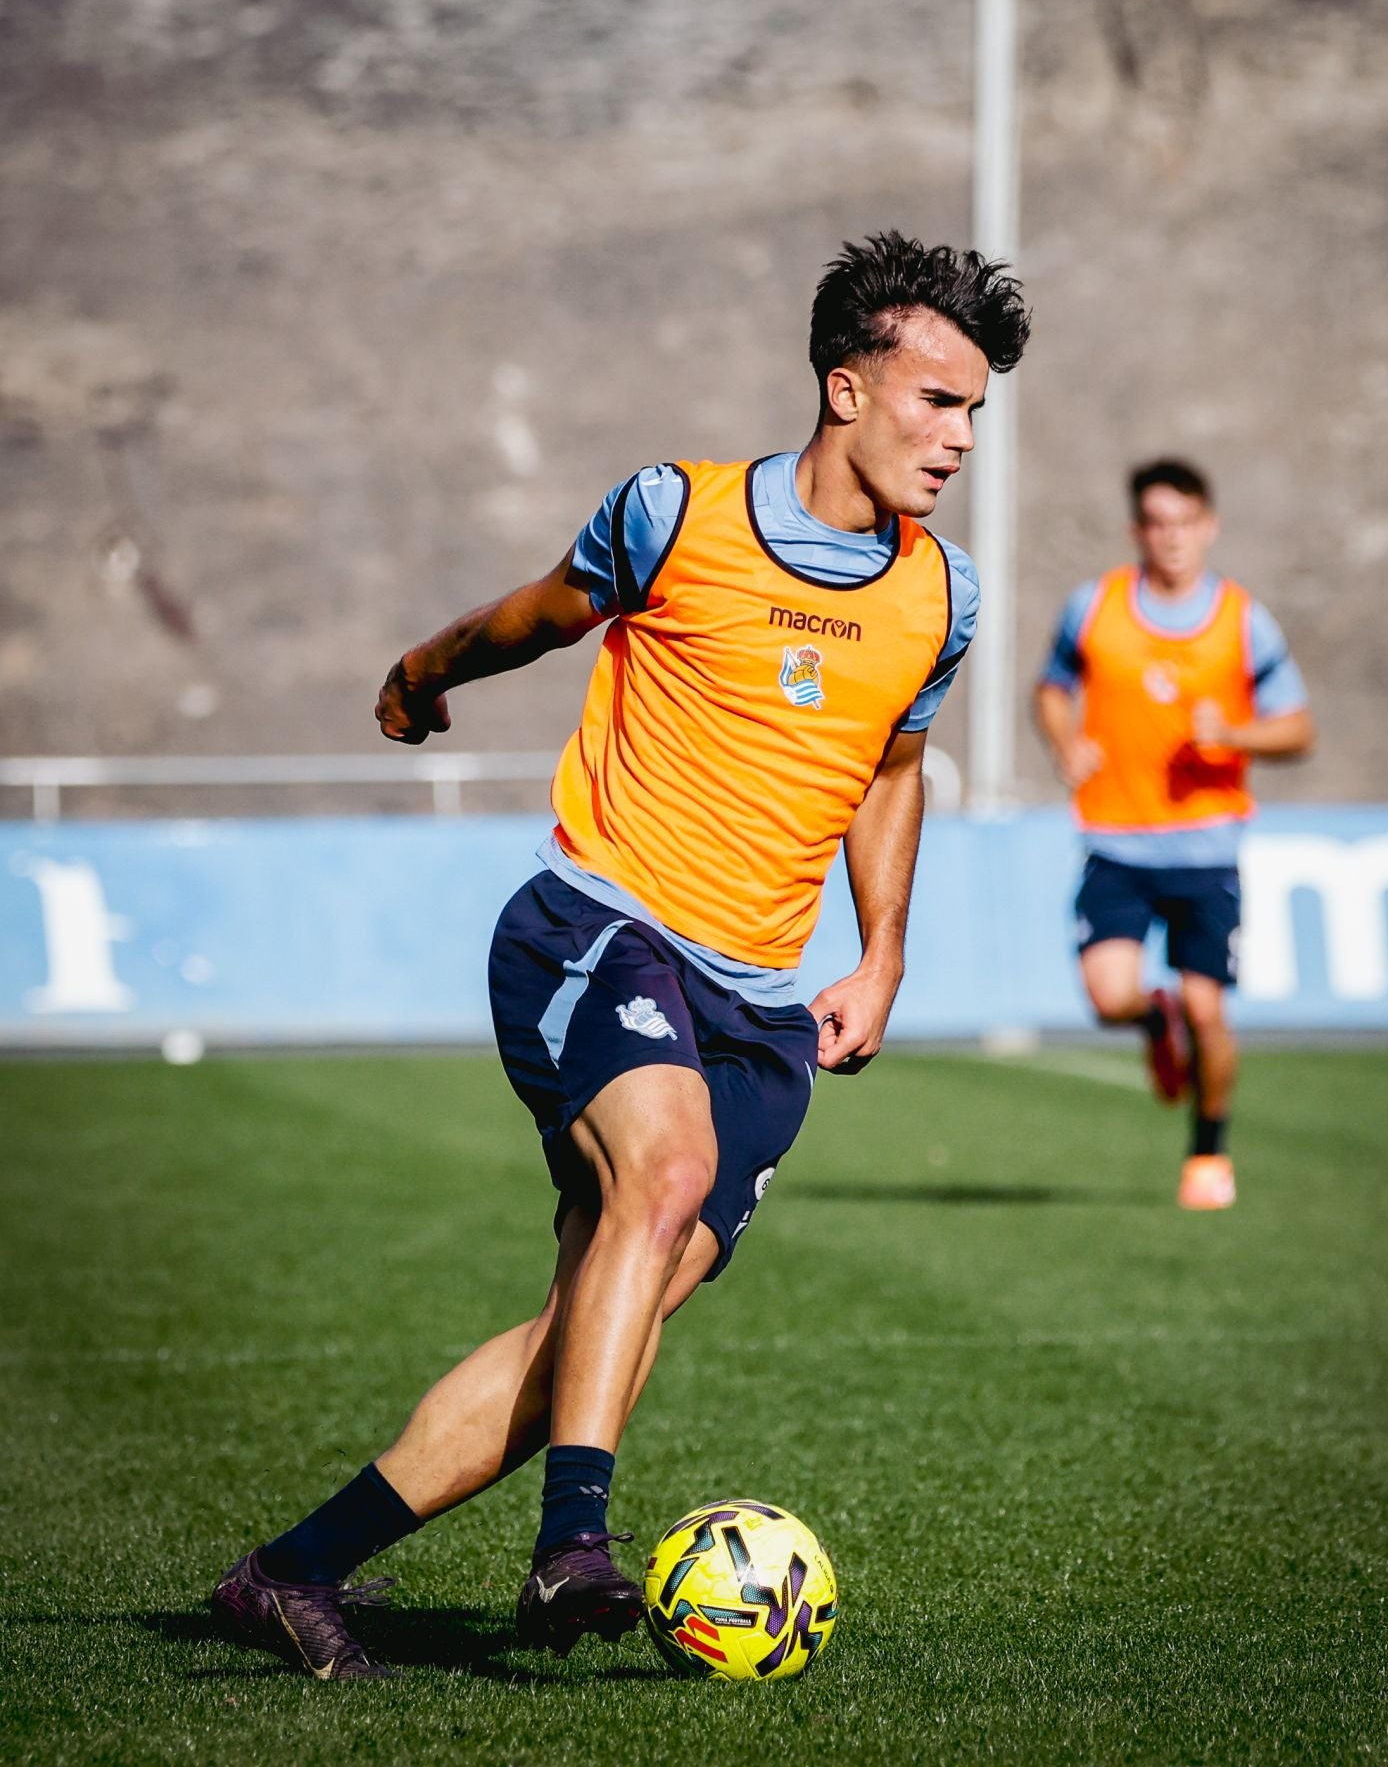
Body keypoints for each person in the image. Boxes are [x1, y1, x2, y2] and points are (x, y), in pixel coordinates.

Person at [211, 232, 1031, 1679]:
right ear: (846, 388)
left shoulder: (941, 599)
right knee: (664, 1175)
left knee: (601, 1314)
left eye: (975, 411)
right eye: (936, 400)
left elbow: (895, 771)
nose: (960, 438)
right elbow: (535, 619)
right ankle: (572, 1550)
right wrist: (422, 673)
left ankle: (293, 1573)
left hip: (766, 1013)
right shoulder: (676, 513)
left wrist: (881, 954)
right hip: (600, 928)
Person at [1032, 458, 1314, 1210]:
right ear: (1137, 531)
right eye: (1156, 523)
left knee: (1210, 1010)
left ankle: (1209, 1155)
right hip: (1117, 841)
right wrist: (1064, 742)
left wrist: (1239, 733)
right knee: (1106, 995)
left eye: (1185, 522)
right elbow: (1052, 690)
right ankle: (1151, 1018)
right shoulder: (1093, 607)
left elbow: (1299, 728)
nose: (1172, 538)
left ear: (1208, 526)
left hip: (1206, 848)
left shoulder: (1242, 620)